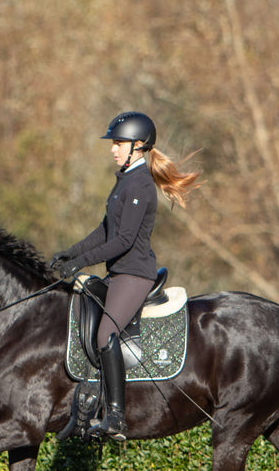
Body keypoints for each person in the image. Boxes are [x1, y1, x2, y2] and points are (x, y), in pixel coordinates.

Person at [51, 111, 201, 441]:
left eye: (118, 143)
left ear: (138, 146)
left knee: (106, 334)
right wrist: (71, 253)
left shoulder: (141, 186)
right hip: (119, 272)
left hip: (135, 275)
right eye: (114, 143)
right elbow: (105, 230)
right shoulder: (124, 182)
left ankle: (116, 417)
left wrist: (82, 264)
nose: (113, 149)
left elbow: (123, 241)